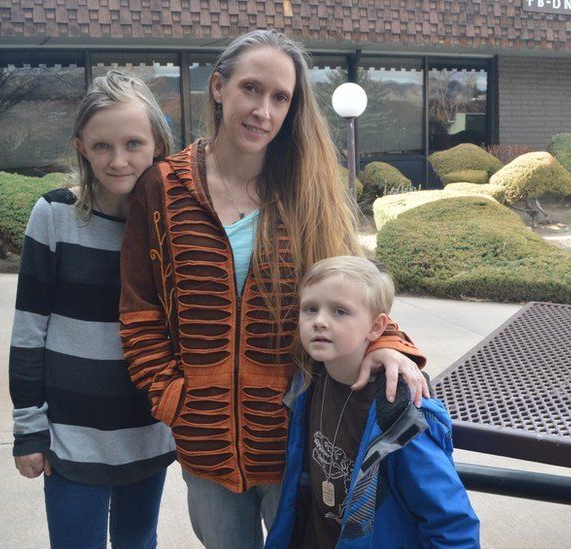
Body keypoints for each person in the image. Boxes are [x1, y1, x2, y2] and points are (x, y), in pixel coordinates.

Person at [118, 29, 428, 549]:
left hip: (298, 436)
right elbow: (139, 312)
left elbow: (353, 289)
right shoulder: (162, 188)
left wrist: (388, 343)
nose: (263, 111)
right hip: (205, 440)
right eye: (251, 89)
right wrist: (172, 398)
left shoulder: (306, 189)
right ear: (219, 86)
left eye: (280, 98)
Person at [9, 71, 177, 548]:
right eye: (102, 146)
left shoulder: (172, 226)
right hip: (72, 435)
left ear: (157, 144)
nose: (118, 160)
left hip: (146, 428)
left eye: (133, 143)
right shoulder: (54, 216)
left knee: (138, 541)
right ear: (82, 147)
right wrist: (29, 429)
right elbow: (29, 332)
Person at [265, 256, 480, 548]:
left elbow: (450, 521)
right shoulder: (308, 381)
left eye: (340, 311)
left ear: (377, 326)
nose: (319, 321)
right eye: (310, 309)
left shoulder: (401, 413)